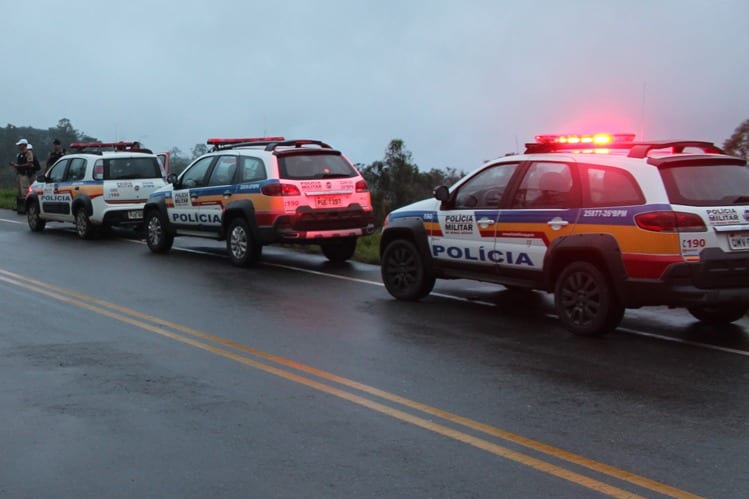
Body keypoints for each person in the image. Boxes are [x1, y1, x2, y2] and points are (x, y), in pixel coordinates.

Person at [8, 138, 35, 214]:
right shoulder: (20, 154)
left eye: (20, 145)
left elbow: (30, 163)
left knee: (24, 192)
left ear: (24, 145)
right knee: (19, 192)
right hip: (19, 174)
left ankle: (25, 208)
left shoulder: (28, 153)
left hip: (24, 175)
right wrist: (15, 165)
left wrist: (19, 166)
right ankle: (20, 208)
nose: (19, 146)